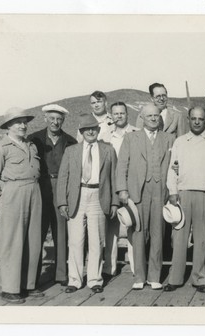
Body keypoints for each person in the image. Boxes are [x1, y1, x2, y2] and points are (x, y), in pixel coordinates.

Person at [164, 106, 205, 293]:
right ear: (189, 119)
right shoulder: (180, 142)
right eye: (194, 118)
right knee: (179, 238)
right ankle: (175, 278)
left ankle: (199, 279)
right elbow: (172, 168)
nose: (197, 122)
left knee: (201, 240)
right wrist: (173, 191)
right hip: (183, 194)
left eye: (200, 119)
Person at [0, 107, 44, 304]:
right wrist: (2, 198)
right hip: (13, 194)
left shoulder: (31, 146)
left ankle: (29, 284)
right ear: (8, 126)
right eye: (17, 122)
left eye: (24, 122)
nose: (22, 125)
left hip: (34, 191)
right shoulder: (0, 148)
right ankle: (10, 288)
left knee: (32, 240)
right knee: (12, 241)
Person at [56, 113, 119, 294]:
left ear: (98, 130)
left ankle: (94, 280)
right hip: (77, 196)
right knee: (75, 241)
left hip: (99, 196)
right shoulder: (71, 151)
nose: (90, 131)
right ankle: (75, 280)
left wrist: (114, 202)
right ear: (81, 132)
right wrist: (62, 202)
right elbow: (63, 178)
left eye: (93, 128)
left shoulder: (108, 150)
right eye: (86, 129)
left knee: (97, 241)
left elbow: (114, 178)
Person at [116, 103, 174, 290]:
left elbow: (175, 166)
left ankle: (154, 276)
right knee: (138, 233)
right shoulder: (131, 138)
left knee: (158, 233)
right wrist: (122, 190)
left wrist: (173, 189)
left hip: (160, 190)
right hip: (137, 191)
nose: (153, 119)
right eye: (149, 116)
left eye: (156, 116)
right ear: (141, 118)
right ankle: (139, 276)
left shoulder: (169, 138)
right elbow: (122, 166)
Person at [27, 104, 77, 287]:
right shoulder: (34, 139)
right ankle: (33, 278)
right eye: (52, 119)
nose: (55, 122)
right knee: (37, 232)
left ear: (63, 121)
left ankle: (61, 275)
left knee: (61, 231)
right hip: (40, 187)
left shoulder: (70, 141)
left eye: (59, 119)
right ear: (45, 119)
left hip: (62, 188)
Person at [103, 102, 138, 278]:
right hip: (110, 186)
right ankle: (110, 268)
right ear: (111, 115)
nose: (119, 116)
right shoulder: (105, 136)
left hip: (130, 185)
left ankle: (135, 267)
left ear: (127, 114)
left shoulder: (136, 133)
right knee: (111, 228)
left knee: (133, 224)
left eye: (122, 113)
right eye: (115, 114)